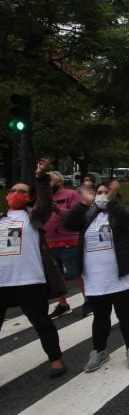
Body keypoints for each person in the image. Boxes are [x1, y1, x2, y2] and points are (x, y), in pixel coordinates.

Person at [63, 180, 129, 372]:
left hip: (120, 275)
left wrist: (112, 202)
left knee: (125, 313)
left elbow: (128, 219)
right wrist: (83, 203)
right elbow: (68, 224)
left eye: (107, 192)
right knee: (100, 316)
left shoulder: (120, 211)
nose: (102, 195)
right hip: (95, 277)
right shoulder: (89, 214)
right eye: (99, 192)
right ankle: (99, 351)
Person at [0, 158, 67, 378]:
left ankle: (56, 359)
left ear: (29, 197)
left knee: (41, 323)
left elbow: (47, 201)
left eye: (21, 191)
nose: (15, 193)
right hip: (2, 281)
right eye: (12, 190)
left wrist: (40, 177)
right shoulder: (1, 219)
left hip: (28, 280)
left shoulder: (34, 217)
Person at [45, 171, 88, 319]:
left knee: (76, 273)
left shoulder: (71, 195)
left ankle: (88, 300)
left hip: (69, 241)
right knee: (56, 276)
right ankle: (62, 303)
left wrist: (57, 209)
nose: (47, 184)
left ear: (60, 182)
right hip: (49, 242)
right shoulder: (44, 197)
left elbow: (76, 215)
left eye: (49, 181)